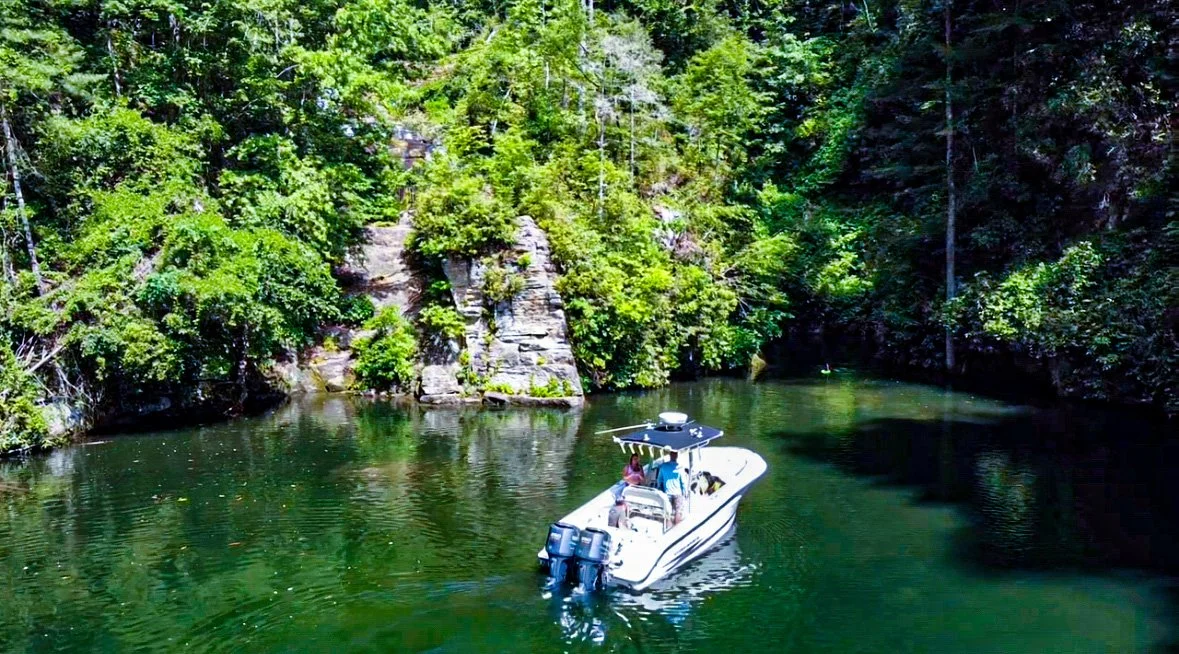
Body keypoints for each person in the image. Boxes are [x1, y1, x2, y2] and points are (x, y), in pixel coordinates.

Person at [657, 450, 685, 525]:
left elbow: (659, 480)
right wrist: (685, 492)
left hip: (667, 493)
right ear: (677, 456)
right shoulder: (680, 467)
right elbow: (683, 483)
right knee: (678, 511)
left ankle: (668, 528)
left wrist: (659, 488)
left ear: (670, 455)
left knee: (668, 513)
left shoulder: (663, 466)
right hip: (678, 493)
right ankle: (676, 528)